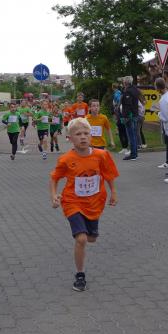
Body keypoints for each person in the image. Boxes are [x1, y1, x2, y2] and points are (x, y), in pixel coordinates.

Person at [50, 118, 119, 291]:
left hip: (94, 203)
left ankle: (89, 233)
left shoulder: (101, 155)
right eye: (78, 134)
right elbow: (54, 178)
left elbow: (109, 174)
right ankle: (80, 275)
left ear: (91, 136)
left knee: (91, 238)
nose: (82, 137)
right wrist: (54, 196)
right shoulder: (66, 159)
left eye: (86, 133)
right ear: (70, 138)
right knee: (81, 239)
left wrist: (113, 192)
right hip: (72, 202)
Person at [119, 76, 141, 160]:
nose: (123, 83)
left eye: (123, 81)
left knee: (131, 136)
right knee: (134, 135)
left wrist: (126, 116)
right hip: (135, 114)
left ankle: (133, 154)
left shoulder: (128, 91)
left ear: (126, 82)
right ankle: (135, 153)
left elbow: (128, 105)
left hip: (129, 116)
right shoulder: (135, 89)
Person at [111, 83, 128, 154]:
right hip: (121, 114)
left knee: (121, 130)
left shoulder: (116, 94)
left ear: (113, 87)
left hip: (120, 114)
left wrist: (116, 106)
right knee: (123, 130)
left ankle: (125, 147)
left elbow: (119, 102)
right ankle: (125, 147)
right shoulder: (120, 93)